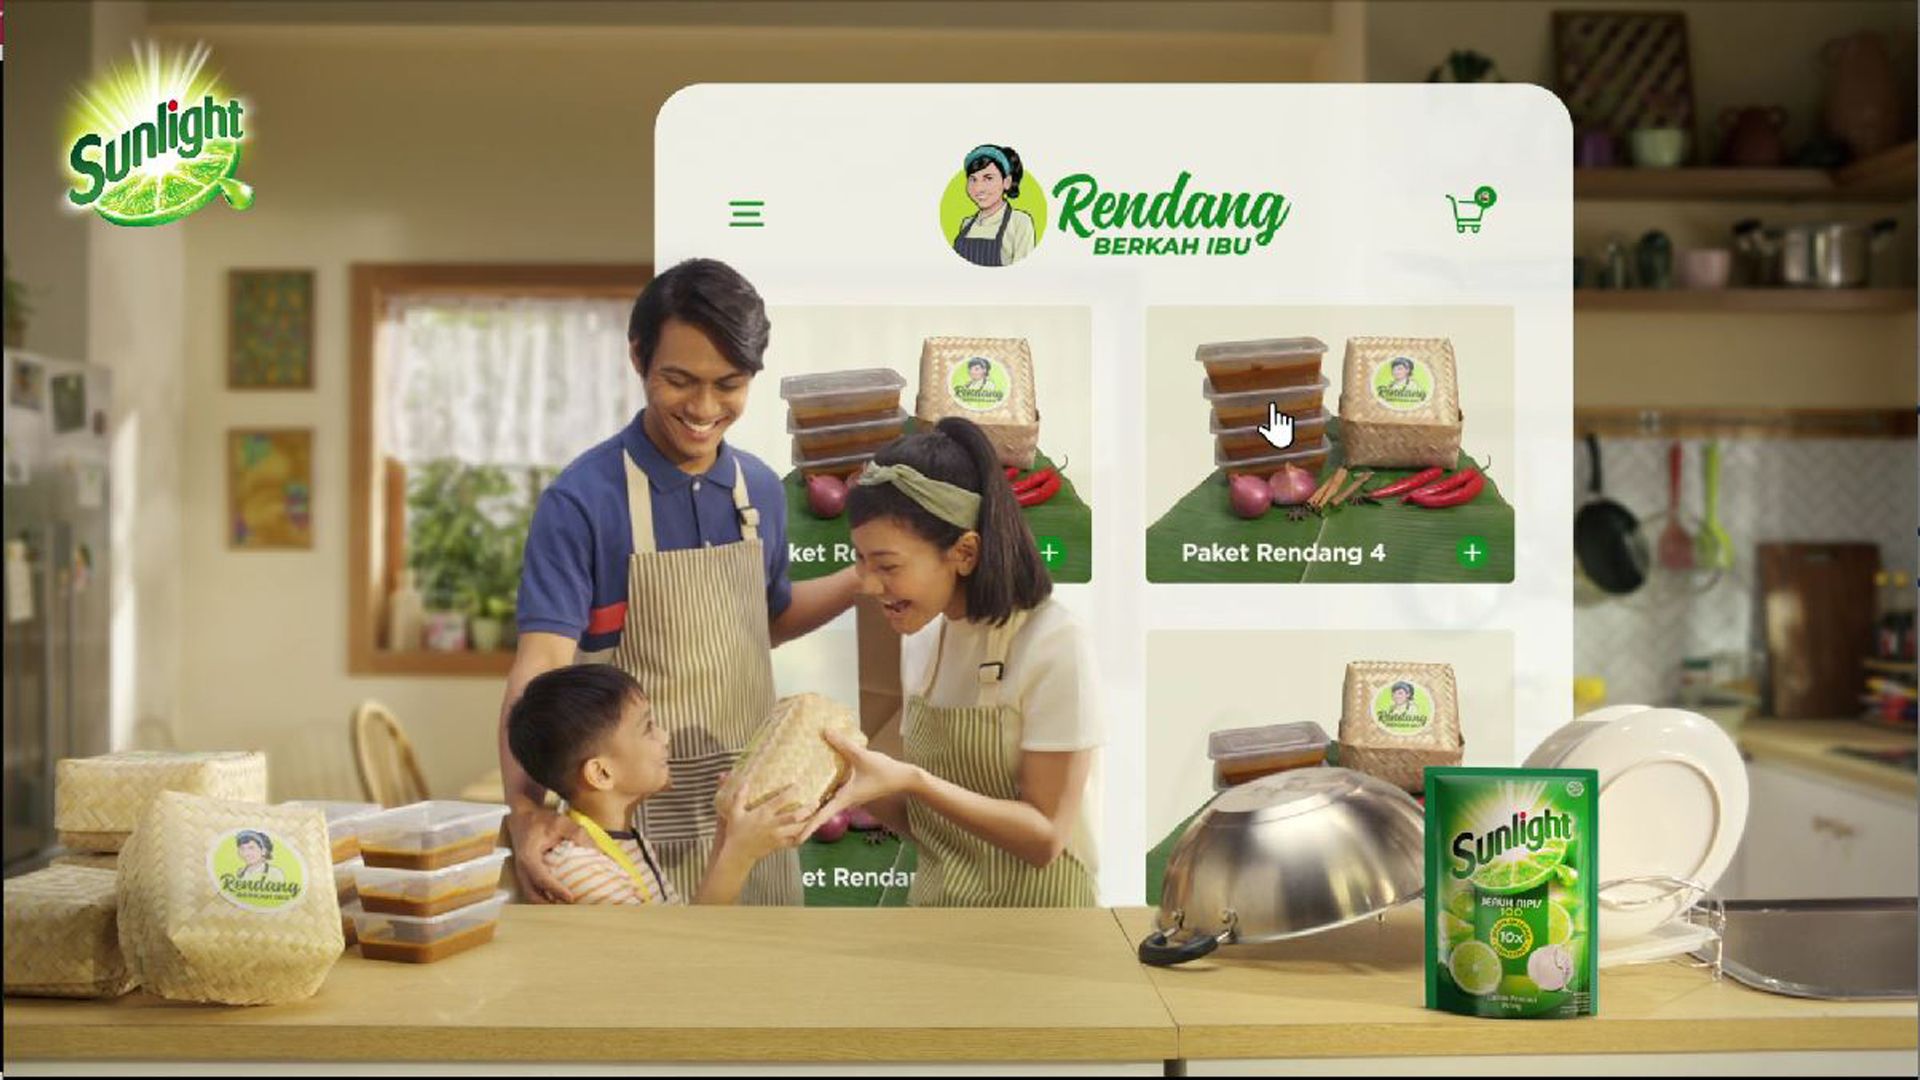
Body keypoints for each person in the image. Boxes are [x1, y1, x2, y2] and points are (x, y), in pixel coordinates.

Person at [501, 258, 862, 905]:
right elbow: (540, 668)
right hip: (636, 829)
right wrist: (525, 812)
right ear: (638, 357)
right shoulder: (584, 500)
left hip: (753, 812)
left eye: (729, 384)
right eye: (679, 380)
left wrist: (863, 578)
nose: (702, 408)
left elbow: (767, 621)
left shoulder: (759, 490)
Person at [804, 417, 1099, 906]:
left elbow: (1046, 837)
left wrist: (913, 780)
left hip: (1041, 934)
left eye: (888, 566)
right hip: (940, 919)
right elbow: (934, 831)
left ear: (964, 552)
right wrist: (848, 780)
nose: (869, 585)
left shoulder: (1052, 642)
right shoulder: (923, 639)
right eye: (861, 561)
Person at [506, 664, 803, 905]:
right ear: (601, 774)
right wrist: (741, 856)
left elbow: (678, 928)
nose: (664, 736)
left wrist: (727, 833)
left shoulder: (627, 841)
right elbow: (672, 955)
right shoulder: (579, 869)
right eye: (647, 728)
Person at [952, 145, 1037, 268]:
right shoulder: (967, 223)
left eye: (988, 178)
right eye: (973, 179)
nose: (978, 188)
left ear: (1006, 182)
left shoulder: (1020, 222)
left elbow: (1023, 273)